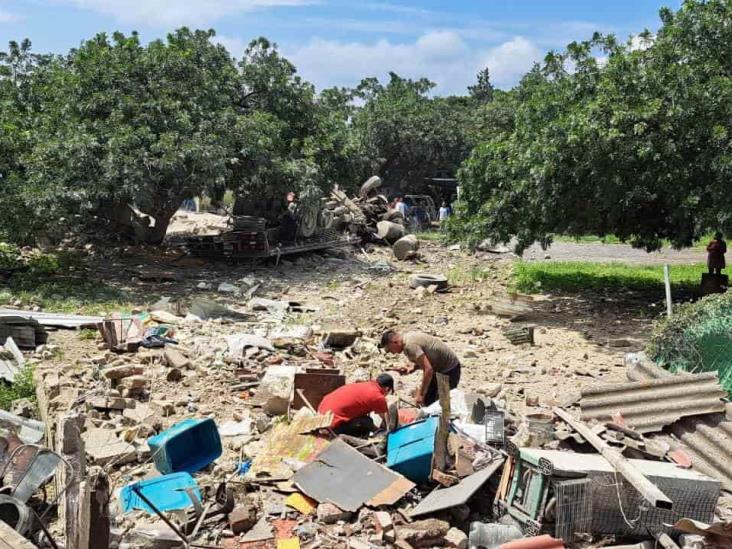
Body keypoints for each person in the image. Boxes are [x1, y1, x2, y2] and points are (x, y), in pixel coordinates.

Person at [381, 330, 460, 407]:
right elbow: (426, 358)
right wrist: (413, 367)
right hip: (437, 369)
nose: (392, 353)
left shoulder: (410, 345)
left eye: (390, 349)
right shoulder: (406, 340)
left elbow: (428, 370)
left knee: (443, 405)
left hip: (449, 369)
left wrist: (421, 395)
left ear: (395, 342)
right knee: (428, 401)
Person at [318, 374, 394, 436]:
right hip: (330, 425)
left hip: (320, 414)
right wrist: (384, 431)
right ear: (387, 389)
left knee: (363, 419)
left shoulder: (365, 385)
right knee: (366, 421)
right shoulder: (377, 396)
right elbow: (385, 418)